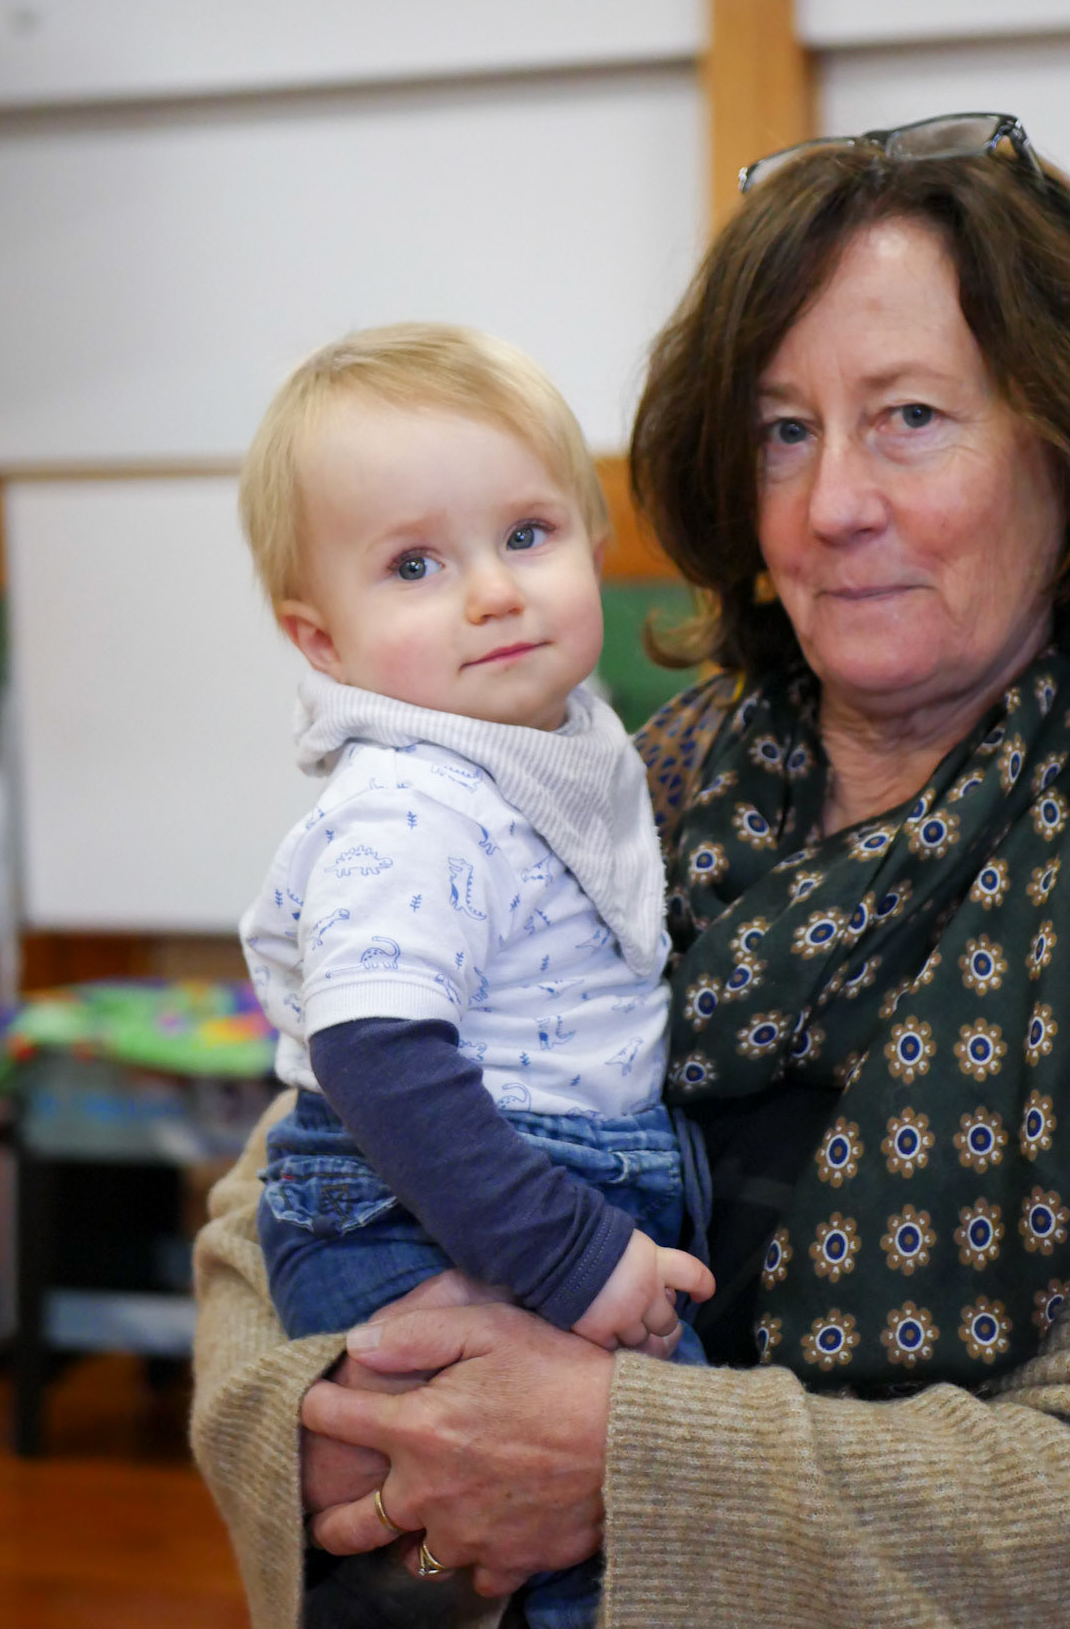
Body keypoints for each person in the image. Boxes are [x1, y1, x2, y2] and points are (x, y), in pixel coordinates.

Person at [194, 116, 1070, 1629]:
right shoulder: (612, 793)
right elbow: (284, 1194)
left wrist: (630, 1467)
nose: (834, 505)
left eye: (911, 417)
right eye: (784, 432)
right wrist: (339, 1424)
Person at [233, 324, 712, 1627]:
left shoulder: (556, 746)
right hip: (437, 1208)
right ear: (320, 637)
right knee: (611, 1518)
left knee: (609, 1507)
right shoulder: (414, 803)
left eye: (526, 535)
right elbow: (378, 1059)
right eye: (415, 564)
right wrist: (576, 1259)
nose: (493, 593)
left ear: (595, 546)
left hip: (521, 1190)